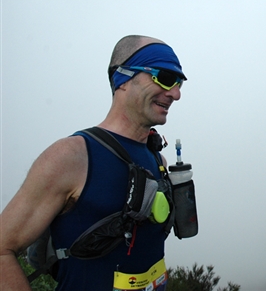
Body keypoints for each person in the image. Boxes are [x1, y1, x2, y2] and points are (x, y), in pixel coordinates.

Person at [0, 35, 187, 290]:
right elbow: (2, 249)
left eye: (179, 83)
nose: (175, 93)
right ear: (122, 78)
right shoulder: (70, 157)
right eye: (164, 78)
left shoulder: (158, 159)